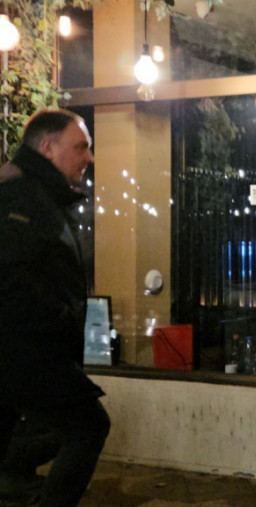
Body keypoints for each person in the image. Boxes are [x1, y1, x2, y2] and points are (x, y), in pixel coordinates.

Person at [0, 109, 110, 507]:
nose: (89, 158)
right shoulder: (19, 196)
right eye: (81, 147)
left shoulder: (36, 193)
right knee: (88, 426)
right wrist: (60, 319)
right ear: (47, 147)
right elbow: (9, 278)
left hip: (28, 349)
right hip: (26, 350)